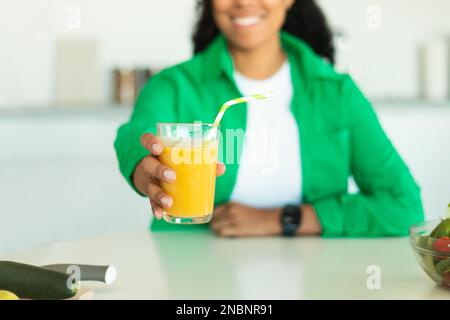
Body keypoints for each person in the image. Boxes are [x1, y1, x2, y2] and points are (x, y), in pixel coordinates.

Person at [114, 0, 424, 237]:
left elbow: (403, 205)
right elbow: (136, 134)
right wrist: (144, 165)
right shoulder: (174, 85)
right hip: (188, 279)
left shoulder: (337, 94)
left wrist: (286, 218)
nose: (244, 2)